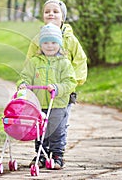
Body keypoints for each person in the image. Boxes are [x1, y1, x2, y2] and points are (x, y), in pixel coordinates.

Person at [26, 0, 88, 168]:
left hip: (62, 91)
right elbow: (29, 62)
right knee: (41, 124)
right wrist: (27, 82)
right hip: (41, 91)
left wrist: (72, 82)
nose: (51, 14)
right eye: (47, 12)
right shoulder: (38, 39)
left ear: (63, 17)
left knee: (59, 125)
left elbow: (80, 60)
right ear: (43, 17)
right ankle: (40, 154)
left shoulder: (70, 39)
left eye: (55, 11)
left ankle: (57, 154)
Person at [17, 23, 77, 169]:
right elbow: (24, 76)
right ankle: (41, 154)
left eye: (53, 42)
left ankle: (57, 155)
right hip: (38, 104)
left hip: (57, 104)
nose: (49, 46)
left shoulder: (64, 63)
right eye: (45, 42)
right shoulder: (34, 62)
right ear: (40, 45)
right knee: (39, 130)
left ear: (59, 44)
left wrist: (57, 88)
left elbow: (70, 82)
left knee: (57, 130)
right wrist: (23, 84)